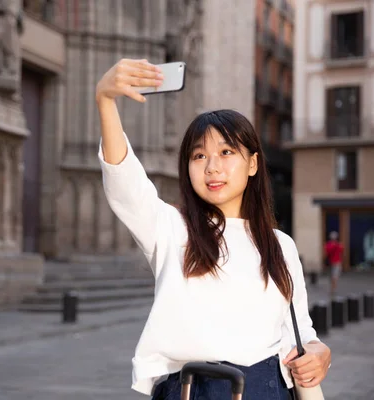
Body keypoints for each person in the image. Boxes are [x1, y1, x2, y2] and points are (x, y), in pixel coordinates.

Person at [95, 58, 331, 399]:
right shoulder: (172, 229)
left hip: (264, 390)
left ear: (252, 163)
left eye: (226, 152)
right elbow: (124, 185)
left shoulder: (280, 245)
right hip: (191, 390)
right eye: (199, 156)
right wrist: (105, 101)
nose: (212, 167)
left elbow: (299, 333)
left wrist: (318, 351)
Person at [324, 231, 344, 296]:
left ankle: (333, 289)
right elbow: (327, 251)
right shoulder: (330, 245)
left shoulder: (337, 245)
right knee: (332, 277)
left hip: (337, 263)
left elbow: (341, 250)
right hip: (331, 263)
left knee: (334, 277)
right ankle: (332, 289)